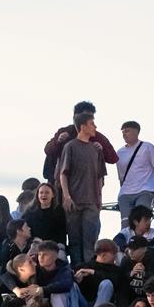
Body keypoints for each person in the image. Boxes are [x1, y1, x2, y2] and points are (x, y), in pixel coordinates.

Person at [56, 110, 106, 265]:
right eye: (92, 124)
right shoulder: (70, 146)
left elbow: (100, 178)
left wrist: (99, 199)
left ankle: (90, 271)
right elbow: (63, 174)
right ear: (83, 126)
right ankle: (77, 271)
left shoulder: (96, 149)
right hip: (74, 201)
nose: (95, 127)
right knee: (75, 240)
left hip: (91, 201)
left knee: (90, 240)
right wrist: (67, 196)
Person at [42, 101, 120, 183]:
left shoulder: (97, 136)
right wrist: (58, 142)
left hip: (89, 184)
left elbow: (113, 158)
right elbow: (48, 150)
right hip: (63, 182)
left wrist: (101, 149)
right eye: (85, 117)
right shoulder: (65, 132)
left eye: (91, 117)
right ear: (75, 117)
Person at [115, 120, 154, 223]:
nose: (124, 135)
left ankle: (143, 239)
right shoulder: (119, 153)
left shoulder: (147, 147)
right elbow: (121, 178)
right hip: (125, 193)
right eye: (123, 132)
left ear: (136, 132)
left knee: (142, 222)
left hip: (145, 190)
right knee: (126, 224)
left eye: (127, 131)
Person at [22, 182, 68, 247]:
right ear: (37, 195)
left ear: (53, 195)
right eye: (41, 193)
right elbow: (24, 229)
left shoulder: (59, 211)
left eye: (47, 192)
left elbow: (62, 231)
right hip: (34, 245)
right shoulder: (30, 211)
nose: (44, 195)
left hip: (53, 246)